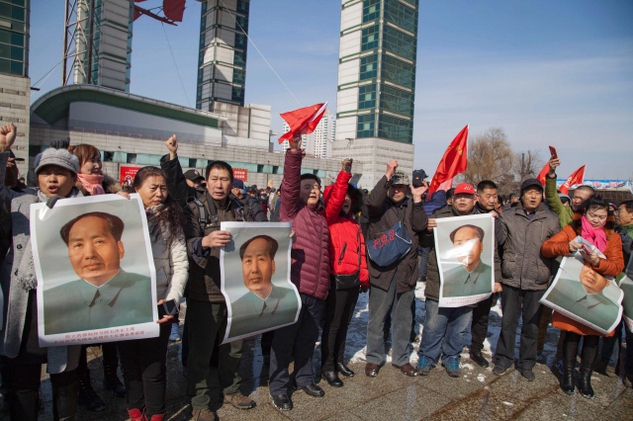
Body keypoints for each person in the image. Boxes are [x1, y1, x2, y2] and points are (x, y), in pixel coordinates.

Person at [162, 136, 256, 420]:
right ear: (207, 180)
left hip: (236, 292)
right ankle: (200, 401)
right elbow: (182, 246)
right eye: (214, 178)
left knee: (234, 348)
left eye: (225, 179)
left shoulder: (241, 209)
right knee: (200, 353)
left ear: (232, 182)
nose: (219, 184)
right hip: (205, 291)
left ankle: (231, 389)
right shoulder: (194, 209)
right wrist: (204, 241)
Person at [0, 127, 82, 421]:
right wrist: (1, 151)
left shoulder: (87, 208)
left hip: (65, 305)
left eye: (60, 172)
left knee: (65, 379)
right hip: (25, 306)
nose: (52, 178)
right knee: (23, 381)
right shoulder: (19, 203)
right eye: (45, 171)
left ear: (73, 178)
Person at [267, 135, 344, 412]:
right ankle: (278, 388)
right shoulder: (291, 209)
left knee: (307, 340)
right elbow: (288, 183)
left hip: (317, 292)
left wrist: (344, 175)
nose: (313, 190)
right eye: (308, 186)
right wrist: (295, 153)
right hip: (293, 288)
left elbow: (337, 200)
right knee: (283, 342)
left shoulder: (321, 217)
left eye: (317, 187)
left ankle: (303, 379)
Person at [116, 166, 189, 421]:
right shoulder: (120, 214)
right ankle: (135, 409)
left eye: (163, 188)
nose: (159, 193)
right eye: (153, 187)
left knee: (154, 366)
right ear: (136, 189)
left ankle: (157, 413)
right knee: (129, 364)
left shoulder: (173, 219)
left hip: (159, 303)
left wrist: (172, 302)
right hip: (125, 303)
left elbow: (180, 265)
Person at [541, 196, 624, 398]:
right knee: (572, 333)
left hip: (598, 294)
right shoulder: (572, 230)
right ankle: (568, 375)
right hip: (574, 290)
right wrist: (567, 247)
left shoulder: (613, 237)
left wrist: (598, 262)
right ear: (584, 213)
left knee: (593, 337)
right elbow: (547, 247)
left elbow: (617, 266)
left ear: (607, 217)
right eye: (593, 215)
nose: (596, 220)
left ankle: (585, 378)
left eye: (601, 217)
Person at [417, 183, 501, 378]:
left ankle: (452, 356)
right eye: (459, 196)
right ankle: (427, 356)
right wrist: (428, 231)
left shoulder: (484, 220)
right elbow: (424, 244)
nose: (462, 200)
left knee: (460, 325)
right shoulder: (439, 216)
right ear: (452, 199)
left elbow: (492, 252)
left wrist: (495, 279)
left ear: (475, 200)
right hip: (441, 282)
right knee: (433, 323)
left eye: (467, 196)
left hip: (470, 284)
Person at [70, 143, 126, 411]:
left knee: (111, 331)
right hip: (81, 275)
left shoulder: (111, 192)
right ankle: (84, 387)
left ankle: (111, 377)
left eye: (98, 161)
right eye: (90, 161)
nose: (96, 166)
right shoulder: (70, 195)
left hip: (109, 275)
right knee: (80, 338)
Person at [364, 161, 428, 378]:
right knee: (377, 318)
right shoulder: (379, 206)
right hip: (382, 271)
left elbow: (420, 226)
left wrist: (418, 200)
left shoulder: (413, 205)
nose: (397, 191)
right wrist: (387, 175)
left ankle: (401, 358)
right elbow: (372, 201)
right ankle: (374, 357)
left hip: (406, 272)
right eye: (393, 186)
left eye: (401, 187)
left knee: (403, 319)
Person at [492, 179, 560, 381]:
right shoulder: (509, 216)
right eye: (529, 192)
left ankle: (527, 363)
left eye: (537, 193)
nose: (533, 196)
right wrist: (494, 222)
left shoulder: (551, 219)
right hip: (511, 277)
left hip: (538, 279)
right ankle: (503, 358)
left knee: (532, 325)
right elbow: (499, 244)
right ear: (521, 195)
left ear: (542, 196)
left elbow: (556, 250)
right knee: (508, 322)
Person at [43, 212, 154, 334]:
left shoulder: (148, 289)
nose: (90, 254)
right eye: (78, 245)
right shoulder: (51, 300)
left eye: (99, 242)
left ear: (120, 249)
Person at [320, 158, 370, 388]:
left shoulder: (354, 225)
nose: (346, 201)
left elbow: (361, 255)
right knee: (333, 325)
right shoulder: (328, 220)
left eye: (351, 198)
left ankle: (339, 360)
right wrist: (344, 175)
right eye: (343, 198)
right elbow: (336, 197)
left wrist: (364, 278)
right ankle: (327, 366)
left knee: (345, 324)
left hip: (352, 283)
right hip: (336, 281)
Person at [228, 235, 297, 338]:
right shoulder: (236, 307)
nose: (254, 269)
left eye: (261, 259)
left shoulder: (290, 299)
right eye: (248, 261)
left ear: (273, 266)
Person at [469, 180, 504, 368]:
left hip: (485, 271)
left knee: (482, 315)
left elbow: (499, 245)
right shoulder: (467, 214)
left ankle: (476, 348)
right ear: (478, 197)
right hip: (465, 271)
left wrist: (494, 223)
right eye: (488, 196)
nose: (492, 200)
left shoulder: (497, 217)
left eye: (495, 196)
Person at [440, 225, 493, 297]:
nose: (466, 249)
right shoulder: (447, 277)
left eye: (471, 242)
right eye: (459, 244)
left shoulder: (491, 276)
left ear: (481, 246)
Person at [546, 156, 595, 227]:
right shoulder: (564, 212)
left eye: (581, 199)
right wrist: (551, 173)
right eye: (575, 197)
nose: (577, 201)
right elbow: (552, 197)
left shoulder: (596, 218)